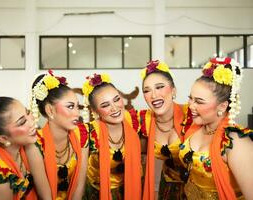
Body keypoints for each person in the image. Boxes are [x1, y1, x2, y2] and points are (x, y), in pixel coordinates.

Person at [179, 57, 253, 199]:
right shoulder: (195, 128)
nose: (191, 106)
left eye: (199, 102)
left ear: (222, 106)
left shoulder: (235, 142)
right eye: (191, 98)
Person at [28, 70, 89, 199]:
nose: (77, 114)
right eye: (70, 107)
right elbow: (45, 196)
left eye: (77, 107)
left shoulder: (82, 135)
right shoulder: (35, 143)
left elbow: (79, 185)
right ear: (50, 110)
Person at [82, 73, 142, 200]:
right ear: (95, 111)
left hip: (130, 190)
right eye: (105, 105)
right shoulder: (88, 133)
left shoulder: (133, 120)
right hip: (97, 194)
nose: (115, 108)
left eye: (117, 99)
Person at [139, 60, 187, 200]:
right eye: (147, 90)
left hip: (196, 189)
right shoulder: (144, 120)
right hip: (167, 189)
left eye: (159, 87)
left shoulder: (192, 115)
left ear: (173, 91)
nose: (153, 95)